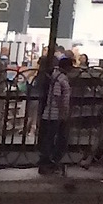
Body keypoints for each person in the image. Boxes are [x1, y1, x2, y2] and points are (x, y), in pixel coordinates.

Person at [34, 46, 73, 174]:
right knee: (54, 138)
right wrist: (63, 112)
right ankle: (48, 162)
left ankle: (49, 162)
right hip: (55, 114)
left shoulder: (57, 77)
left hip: (55, 113)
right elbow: (58, 96)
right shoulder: (60, 79)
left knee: (52, 138)